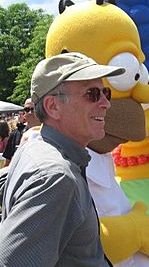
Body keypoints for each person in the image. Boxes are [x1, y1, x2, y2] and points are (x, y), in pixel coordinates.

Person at [0, 52, 125, 266]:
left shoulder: (35, 149)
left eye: (106, 93)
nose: (106, 103)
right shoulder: (56, 176)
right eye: (92, 94)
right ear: (53, 106)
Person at [2, 98, 41, 166]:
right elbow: (7, 163)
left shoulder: (49, 133)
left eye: (33, 109)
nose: (30, 112)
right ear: (24, 113)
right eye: (27, 109)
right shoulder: (15, 134)